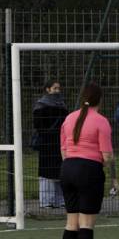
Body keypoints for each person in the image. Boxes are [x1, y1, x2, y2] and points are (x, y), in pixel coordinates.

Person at [60, 82, 118, 239]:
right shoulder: (101, 121)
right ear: (100, 99)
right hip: (89, 171)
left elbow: (64, 150)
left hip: (67, 169)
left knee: (71, 222)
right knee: (86, 222)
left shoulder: (68, 118)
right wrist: (111, 174)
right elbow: (107, 156)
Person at [32, 79, 69, 208]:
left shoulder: (62, 105)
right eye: (54, 88)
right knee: (46, 172)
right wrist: (49, 133)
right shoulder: (40, 105)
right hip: (47, 143)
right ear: (47, 89)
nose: (57, 91)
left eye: (58, 88)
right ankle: (46, 201)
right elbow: (38, 126)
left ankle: (60, 200)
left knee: (61, 171)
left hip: (61, 142)